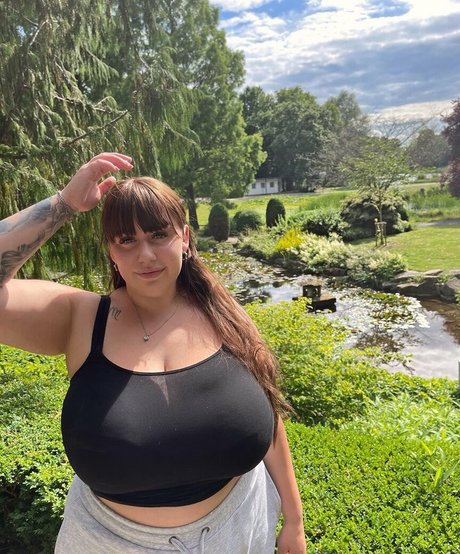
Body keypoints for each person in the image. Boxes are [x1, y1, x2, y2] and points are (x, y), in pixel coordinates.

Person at [0, 153, 306, 554]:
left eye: (159, 235)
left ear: (185, 239)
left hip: (240, 532)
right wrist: (65, 203)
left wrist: (294, 520)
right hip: (109, 544)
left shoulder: (225, 316)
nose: (145, 254)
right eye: (126, 240)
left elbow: (269, 417)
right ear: (111, 251)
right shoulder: (81, 318)